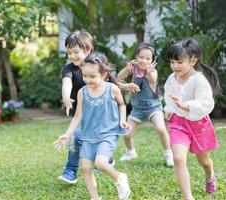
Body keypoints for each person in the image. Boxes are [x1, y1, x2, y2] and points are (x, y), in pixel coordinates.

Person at [54, 52, 132, 200]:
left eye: (92, 76)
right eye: (85, 76)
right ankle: (95, 198)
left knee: (101, 163)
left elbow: (122, 104)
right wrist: (67, 134)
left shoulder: (112, 89)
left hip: (107, 134)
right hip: (88, 135)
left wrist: (122, 120)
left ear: (104, 74)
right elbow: (78, 116)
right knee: (85, 168)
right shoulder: (82, 92)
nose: (87, 80)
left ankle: (120, 178)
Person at [164, 38, 220, 200]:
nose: (175, 66)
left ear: (193, 61)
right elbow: (170, 97)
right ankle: (188, 197)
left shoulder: (199, 80)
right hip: (178, 123)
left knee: (204, 161)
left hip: (198, 124)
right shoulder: (172, 78)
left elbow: (205, 103)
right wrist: (169, 108)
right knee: (178, 158)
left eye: (179, 62)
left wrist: (185, 105)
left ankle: (210, 175)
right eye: (172, 62)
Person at [58, 30, 114, 185]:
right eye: (69, 52)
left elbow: (112, 83)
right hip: (83, 113)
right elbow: (66, 82)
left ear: (88, 50)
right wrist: (65, 97)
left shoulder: (96, 66)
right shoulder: (69, 69)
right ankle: (70, 171)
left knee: (98, 138)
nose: (72, 56)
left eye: (75, 52)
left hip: (102, 114)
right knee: (75, 137)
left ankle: (106, 158)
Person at [117, 42, 174, 167]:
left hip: (153, 107)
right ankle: (130, 152)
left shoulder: (152, 71)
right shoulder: (132, 70)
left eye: (148, 58)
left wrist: (149, 72)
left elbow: (153, 80)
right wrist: (127, 69)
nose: (144, 60)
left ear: (152, 61)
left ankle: (168, 153)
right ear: (136, 58)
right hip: (137, 108)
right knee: (126, 132)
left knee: (160, 128)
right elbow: (118, 78)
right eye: (141, 57)